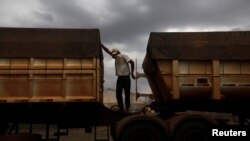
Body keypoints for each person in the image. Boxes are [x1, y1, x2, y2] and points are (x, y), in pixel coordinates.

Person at [101, 43, 135, 112]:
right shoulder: (116, 57)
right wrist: (101, 44)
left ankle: (128, 108)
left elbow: (132, 62)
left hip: (126, 77)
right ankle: (121, 108)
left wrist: (132, 73)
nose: (114, 55)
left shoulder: (124, 55)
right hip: (120, 78)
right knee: (118, 93)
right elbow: (107, 50)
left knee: (126, 93)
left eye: (115, 54)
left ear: (118, 52)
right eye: (114, 54)